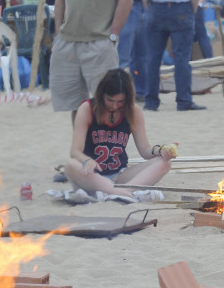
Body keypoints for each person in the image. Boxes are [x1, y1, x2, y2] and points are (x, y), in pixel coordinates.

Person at [63, 68, 172, 202]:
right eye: (110, 100)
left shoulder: (133, 111)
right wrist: (87, 160)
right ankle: (121, 193)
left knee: (164, 163)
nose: (114, 106)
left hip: (119, 176)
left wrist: (160, 150)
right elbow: (75, 151)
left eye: (120, 102)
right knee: (71, 165)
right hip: (92, 175)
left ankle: (120, 192)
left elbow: (144, 150)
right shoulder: (87, 108)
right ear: (101, 95)